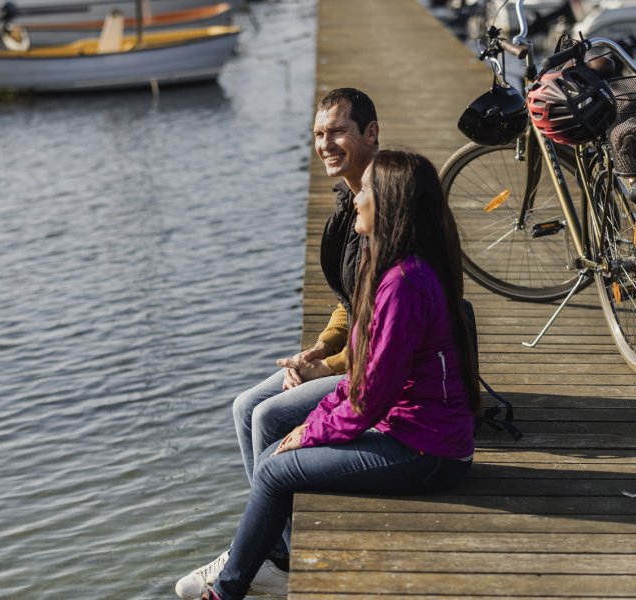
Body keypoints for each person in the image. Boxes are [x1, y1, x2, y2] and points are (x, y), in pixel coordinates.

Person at [182, 149, 480, 600]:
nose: (356, 198)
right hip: (408, 433)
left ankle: (226, 591)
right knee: (272, 453)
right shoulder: (394, 270)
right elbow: (361, 379)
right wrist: (312, 423)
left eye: (366, 192)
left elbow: (371, 396)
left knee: (272, 472)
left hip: (428, 452)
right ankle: (262, 566)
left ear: (390, 204)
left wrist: (312, 432)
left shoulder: (403, 283)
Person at [175, 89, 380, 598]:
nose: (325, 143)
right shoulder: (349, 203)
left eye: (337, 131)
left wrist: (326, 366)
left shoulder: (385, 207)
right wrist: (315, 351)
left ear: (371, 133)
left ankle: (277, 553)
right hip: (351, 347)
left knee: (270, 417)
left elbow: (382, 327)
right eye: (318, 133)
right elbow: (349, 304)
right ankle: (277, 545)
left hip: (376, 363)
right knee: (245, 405)